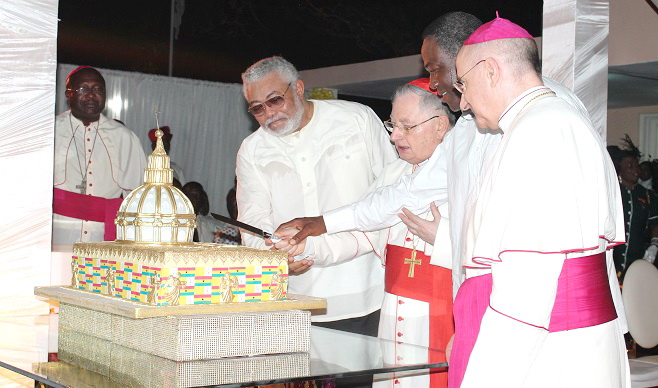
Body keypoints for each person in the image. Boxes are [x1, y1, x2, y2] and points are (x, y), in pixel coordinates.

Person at [448, 15, 629, 387]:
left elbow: (526, 293)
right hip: (571, 342)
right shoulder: (554, 120)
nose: (463, 101)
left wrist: (483, 377)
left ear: (491, 70)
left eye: (464, 84)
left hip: (551, 352)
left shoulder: (538, 131)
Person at [236, 56, 397, 336]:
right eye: (257, 108)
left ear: (298, 88)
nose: (269, 113)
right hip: (296, 301)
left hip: (368, 293)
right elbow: (252, 223)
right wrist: (277, 260)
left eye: (274, 100)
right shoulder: (252, 150)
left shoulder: (356, 119)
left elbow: (390, 193)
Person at [368, 79, 454, 388]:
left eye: (406, 126)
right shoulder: (393, 173)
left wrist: (442, 238)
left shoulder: (465, 173)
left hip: (443, 313)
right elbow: (363, 232)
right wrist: (309, 245)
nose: (394, 137)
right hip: (393, 310)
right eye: (392, 125)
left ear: (439, 126)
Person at [53, 66, 147, 244]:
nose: (90, 95)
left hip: (104, 242)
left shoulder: (124, 137)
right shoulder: (51, 131)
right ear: (68, 94)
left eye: (97, 89)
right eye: (83, 89)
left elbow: (138, 196)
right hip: (57, 236)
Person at [608, 143, 658, 279]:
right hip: (611, 259)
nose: (636, 170)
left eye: (636, 166)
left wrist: (654, 245)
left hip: (637, 259)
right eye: (630, 166)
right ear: (620, 169)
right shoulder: (611, 192)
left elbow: (655, 224)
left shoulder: (647, 195)